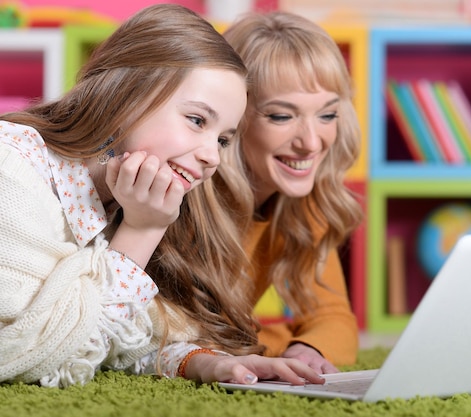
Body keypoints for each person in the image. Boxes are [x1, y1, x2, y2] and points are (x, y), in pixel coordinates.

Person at [0, 4, 323, 388]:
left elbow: (117, 336)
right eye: (197, 120)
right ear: (127, 96)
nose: (211, 156)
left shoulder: (130, 196)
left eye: (222, 139)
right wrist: (142, 231)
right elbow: (32, 355)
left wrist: (206, 364)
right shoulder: (13, 168)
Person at [213, 11, 364, 374]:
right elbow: (183, 336)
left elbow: (334, 317)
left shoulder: (306, 202)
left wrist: (306, 347)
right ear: (233, 116)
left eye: (327, 115)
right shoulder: (189, 194)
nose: (311, 142)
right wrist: (277, 342)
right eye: (282, 116)